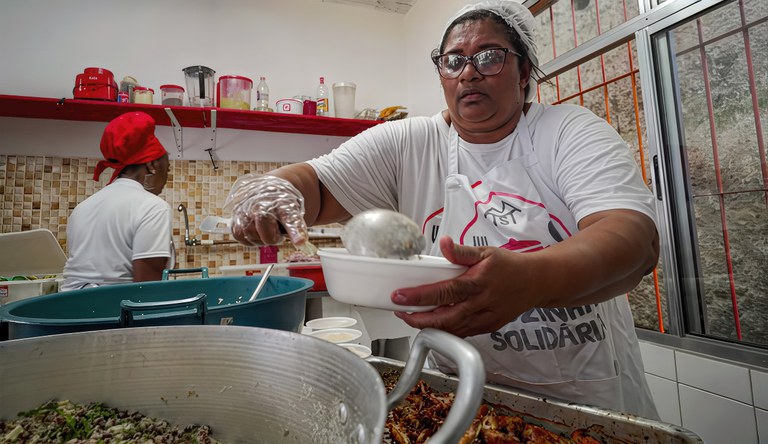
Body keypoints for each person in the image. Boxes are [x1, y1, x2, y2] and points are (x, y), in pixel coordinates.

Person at [225, 0, 660, 419]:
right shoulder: (407, 144)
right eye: (453, 61)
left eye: (489, 57)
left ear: (524, 70)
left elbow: (633, 241)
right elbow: (315, 185)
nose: (468, 73)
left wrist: (533, 280)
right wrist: (273, 190)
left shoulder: (568, 133)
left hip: (586, 405)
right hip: (458, 396)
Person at [61, 112, 173, 291]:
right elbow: (147, 289)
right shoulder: (153, 207)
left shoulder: (82, 208)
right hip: (114, 313)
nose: (166, 179)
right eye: (166, 170)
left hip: (71, 310)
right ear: (152, 166)